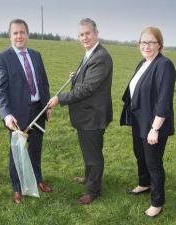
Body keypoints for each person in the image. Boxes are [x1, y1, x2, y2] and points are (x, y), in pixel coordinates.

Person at [48, 18, 113, 205]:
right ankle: (89, 177)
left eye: (88, 33)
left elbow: (87, 89)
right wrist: (77, 75)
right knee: (89, 151)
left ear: (96, 33)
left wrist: (60, 99)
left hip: (93, 115)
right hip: (87, 114)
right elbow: (87, 78)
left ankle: (93, 190)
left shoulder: (101, 56)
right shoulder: (90, 54)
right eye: (81, 34)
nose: (84, 37)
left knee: (93, 155)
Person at [0, 19, 52, 204]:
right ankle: (17, 188)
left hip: (38, 111)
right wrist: (6, 114)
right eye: (15, 33)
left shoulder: (36, 55)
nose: (19, 36)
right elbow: (0, 90)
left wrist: (47, 106)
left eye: (22, 32)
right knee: (17, 153)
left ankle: (38, 179)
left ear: (27, 34)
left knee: (36, 149)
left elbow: (43, 82)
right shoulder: (2, 58)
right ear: (10, 36)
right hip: (16, 116)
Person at [120, 27, 176, 217]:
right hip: (139, 121)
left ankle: (157, 202)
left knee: (153, 162)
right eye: (143, 42)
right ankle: (144, 184)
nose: (147, 46)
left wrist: (155, 128)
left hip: (154, 124)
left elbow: (164, 100)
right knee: (140, 155)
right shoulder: (143, 63)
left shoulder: (164, 65)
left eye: (151, 42)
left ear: (159, 44)